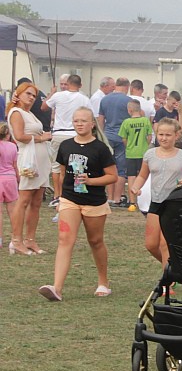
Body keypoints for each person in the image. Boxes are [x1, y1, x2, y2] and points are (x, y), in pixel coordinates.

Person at [37, 108, 117, 301]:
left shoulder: (100, 149)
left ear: (92, 124)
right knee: (65, 240)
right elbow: (63, 174)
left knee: (95, 241)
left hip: (94, 202)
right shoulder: (65, 146)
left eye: (83, 121)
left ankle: (103, 282)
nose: (79, 124)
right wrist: (60, 197)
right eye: (76, 121)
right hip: (70, 200)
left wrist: (90, 181)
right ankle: (57, 288)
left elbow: (112, 176)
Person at [129, 118, 182, 264]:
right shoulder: (150, 154)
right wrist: (136, 187)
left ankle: (167, 283)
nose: (164, 138)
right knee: (151, 245)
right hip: (155, 203)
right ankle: (173, 268)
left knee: (164, 243)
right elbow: (143, 175)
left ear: (176, 135)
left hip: (174, 204)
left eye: (168, 135)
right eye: (161, 134)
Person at [7, 80, 52, 255]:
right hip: (28, 159)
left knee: (36, 201)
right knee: (24, 199)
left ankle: (30, 239)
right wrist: (42, 138)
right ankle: (16, 240)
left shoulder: (29, 113)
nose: (32, 98)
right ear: (19, 94)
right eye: (29, 94)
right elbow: (19, 136)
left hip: (41, 159)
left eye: (34, 95)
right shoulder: (16, 112)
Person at [46, 74, 90, 204]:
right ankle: (75, 191)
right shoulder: (84, 98)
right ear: (80, 86)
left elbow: (44, 107)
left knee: (56, 166)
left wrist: (52, 93)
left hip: (59, 133)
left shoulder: (58, 96)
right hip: (74, 135)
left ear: (68, 83)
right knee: (76, 165)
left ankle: (57, 195)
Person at [97, 77, 131, 205]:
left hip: (108, 136)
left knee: (109, 167)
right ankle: (117, 198)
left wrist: (102, 136)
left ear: (116, 85)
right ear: (127, 87)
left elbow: (101, 119)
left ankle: (109, 197)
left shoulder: (104, 99)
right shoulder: (129, 101)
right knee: (121, 169)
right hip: (123, 138)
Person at [118, 100, 154, 196]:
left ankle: (132, 201)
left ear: (129, 110)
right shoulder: (145, 120)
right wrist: (145, 145)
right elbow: (149, 137)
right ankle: (142, 197)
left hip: (131, 153)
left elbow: (124, 138)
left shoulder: (126, 122)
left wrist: (128, 146)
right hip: (143, 153)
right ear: (139, 109)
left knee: (131, 176)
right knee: (143, 176)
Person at [0, 122, 20, 251]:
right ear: (8, 134)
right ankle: (15, 238)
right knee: (13, 211)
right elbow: (15, 165)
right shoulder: (13, 146)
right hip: (10, 179)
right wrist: (19, 179)